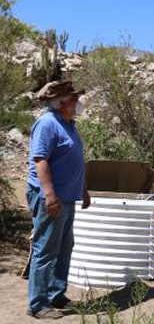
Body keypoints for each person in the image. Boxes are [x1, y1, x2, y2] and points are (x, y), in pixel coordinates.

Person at [25, 79, 90, 319]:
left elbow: (76, 160)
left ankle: (56, 295)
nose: (78, 102)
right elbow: (40, 160)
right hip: (51, 197)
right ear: (62, 101)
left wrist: (84, 190)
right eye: (74, 98)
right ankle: (37, 304)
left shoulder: (69, 124)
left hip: (68, 196)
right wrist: (50, 196)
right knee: (46, 249)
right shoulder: (47, 124)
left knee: (64, 247)